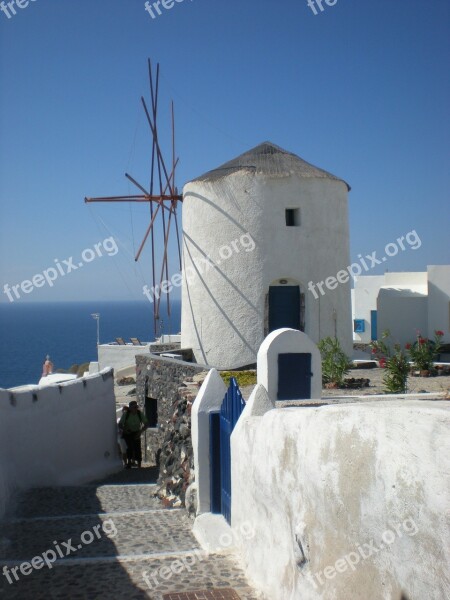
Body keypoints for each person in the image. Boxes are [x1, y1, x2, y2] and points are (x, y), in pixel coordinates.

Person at [118, 400, 148, 469]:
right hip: (127, 433)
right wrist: (125, 429)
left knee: (137, 448)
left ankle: (139, 464)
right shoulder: (126, 414)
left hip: (136, 432)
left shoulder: (139, 414)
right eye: (134, 407)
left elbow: (146, 424)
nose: (135, 409)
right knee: (129, 448)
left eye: (136, 407)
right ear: (130, 408)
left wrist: (141, 431)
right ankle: (129, 463)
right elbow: (120, 424)